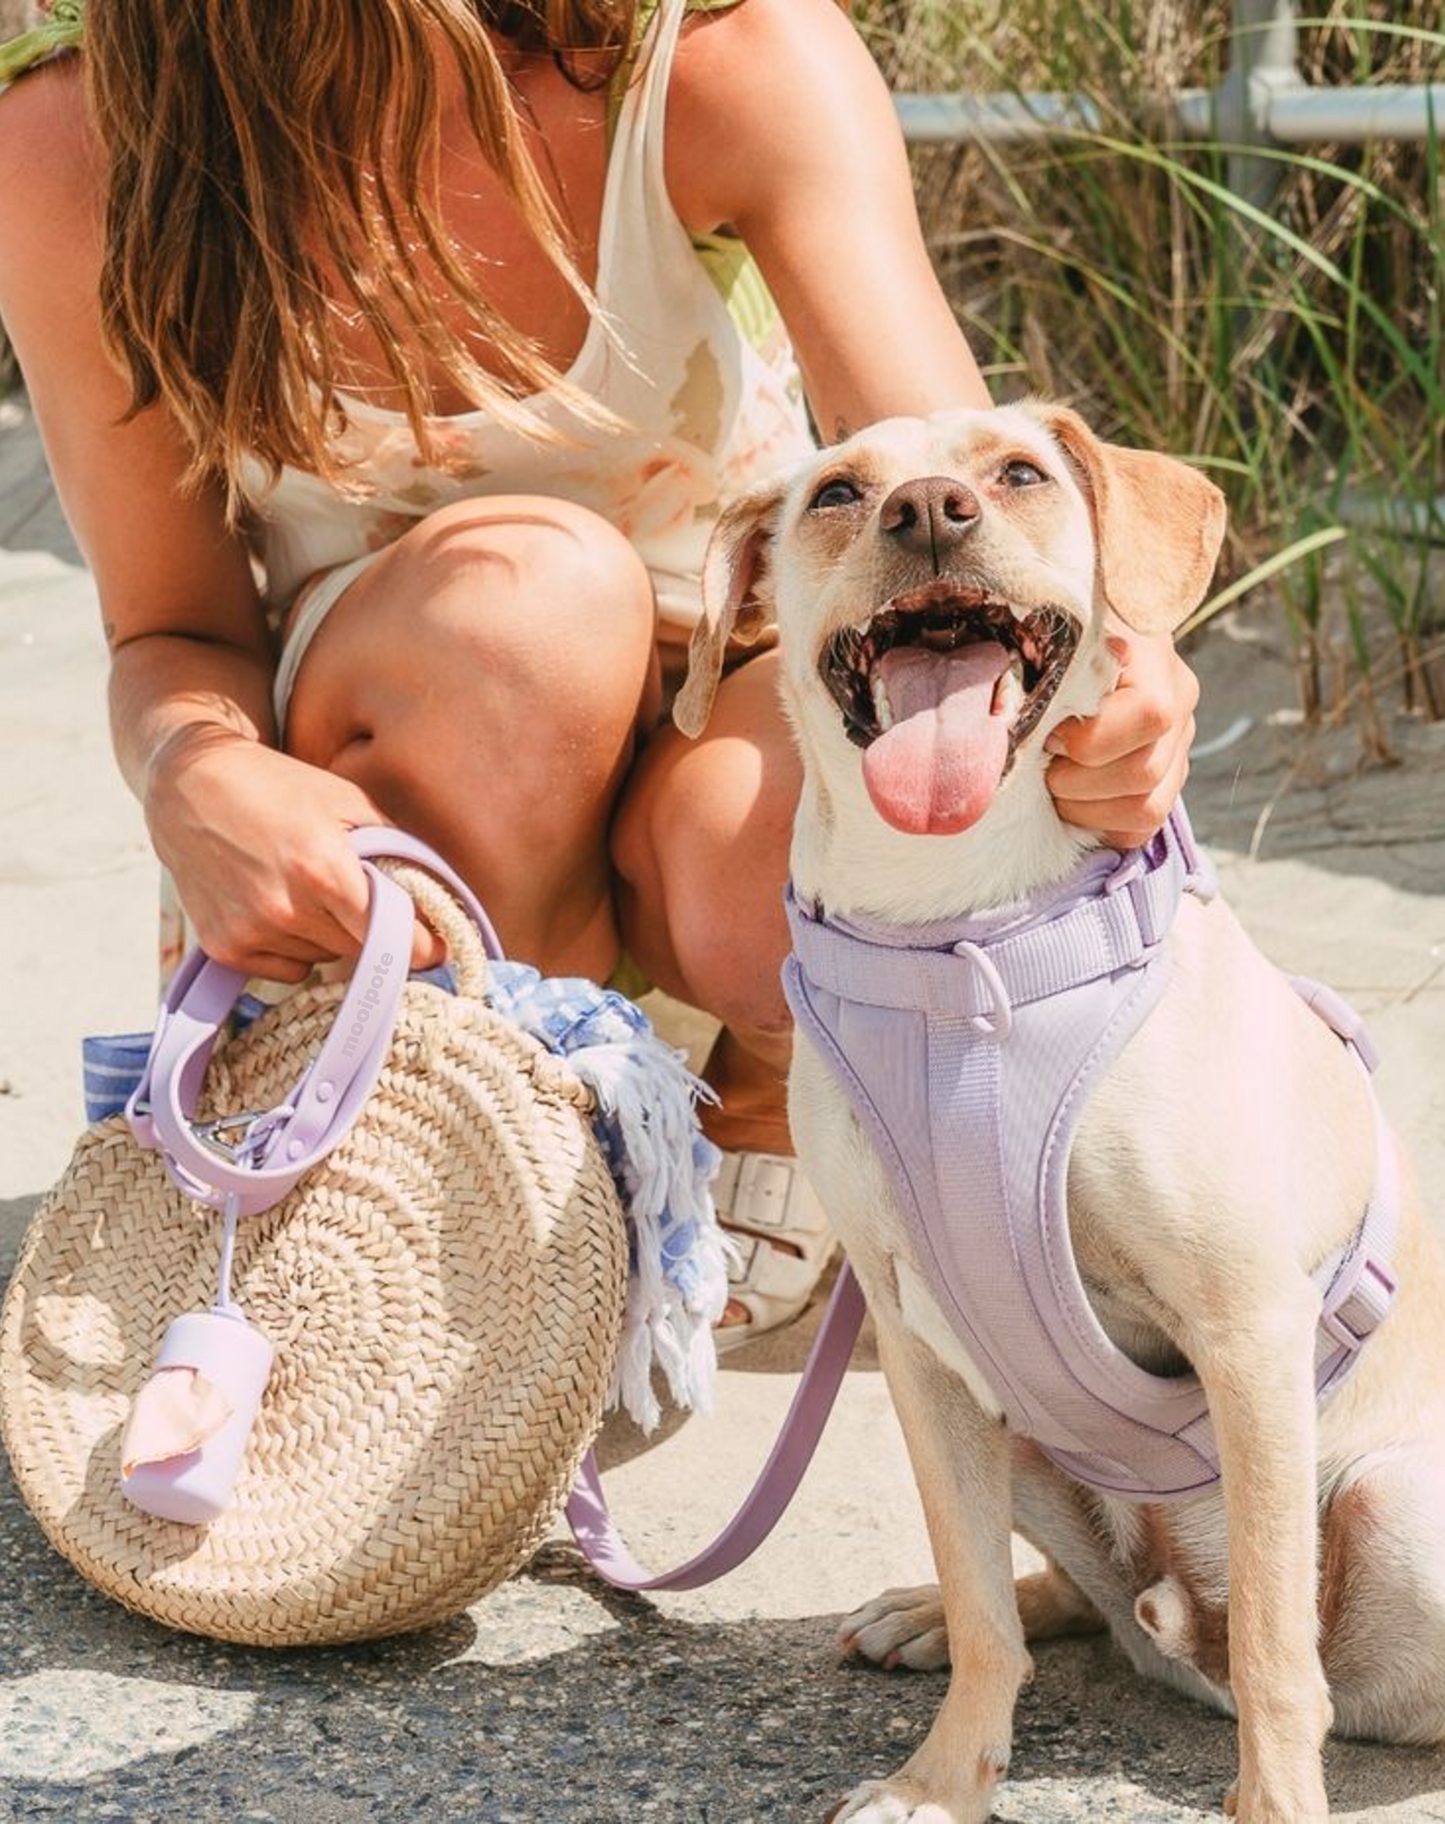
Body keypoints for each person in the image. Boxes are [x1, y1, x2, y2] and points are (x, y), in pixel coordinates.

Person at [0, 0, 1198, 1349]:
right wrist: (190, 773)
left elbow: (960, 497)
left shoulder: (716, 58)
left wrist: (1130, 672)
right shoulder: (80, 142)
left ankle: (757, 1095)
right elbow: (172, 625)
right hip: (410, 774)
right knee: (533, 604)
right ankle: (489, 1120)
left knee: (775, 853)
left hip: (725, 678)